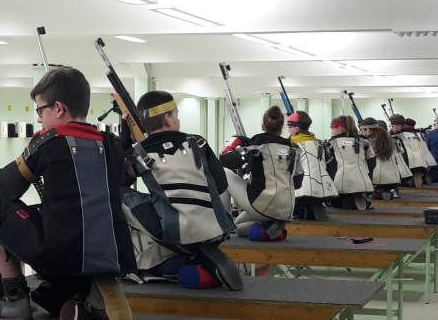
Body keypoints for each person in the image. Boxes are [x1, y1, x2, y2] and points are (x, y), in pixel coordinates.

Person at [0, 67, 136, 320]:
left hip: (62, 254)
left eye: (41, 110)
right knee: (45, 296)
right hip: (114, 255)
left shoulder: (48, 141)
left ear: (59, 108)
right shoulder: (111, 143)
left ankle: (15, 299)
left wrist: (31, 149)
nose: (39, 118)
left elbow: (7, 185)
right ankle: (82, 295)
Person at [121, 90, 239, 289]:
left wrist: (126, 143)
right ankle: (192, 262)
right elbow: (221, 185)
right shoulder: (199, 143)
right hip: (217, 230)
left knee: (117, 194)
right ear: (168, 118)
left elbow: (121, 180)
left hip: (177, 236)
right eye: (176, 114)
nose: (178, 119)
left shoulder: (139, 154)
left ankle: (129, 261)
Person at [220, 105, 302, 240]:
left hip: (262, 204)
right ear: (282, 128)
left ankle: (223, 227)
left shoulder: (255, 146)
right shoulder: (293, 150)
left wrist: (237, 141)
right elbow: (297, 184)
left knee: (223, 172)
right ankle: (268, 230)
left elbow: (223, 161)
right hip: (286, 209)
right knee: (238, 225)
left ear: (263, 126)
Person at [287, 111, 336, 220]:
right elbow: (328, 164)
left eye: (290, 127)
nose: (289, 130)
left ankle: (302, 209)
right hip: (323, 186)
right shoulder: (319, 143)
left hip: (300, 188)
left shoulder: (292, 143)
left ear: (297, 128)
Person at [325, 115, 374, 209]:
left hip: (342, 180)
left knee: (335, 202)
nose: (333, 132)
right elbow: (372, 161)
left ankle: (349, 201)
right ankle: (358, 199)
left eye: (334, 129)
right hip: (363, 179)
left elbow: (330, 165)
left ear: (340, 128)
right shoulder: (364, 141)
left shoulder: (332, 143)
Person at [358, 117, 403, 198]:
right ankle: (389, 191)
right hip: (394, 179)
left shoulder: (367, 142)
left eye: (362, 130)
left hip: (376, 180)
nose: (362, 133)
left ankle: (376, 192)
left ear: (368, 130)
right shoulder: (391, 140)